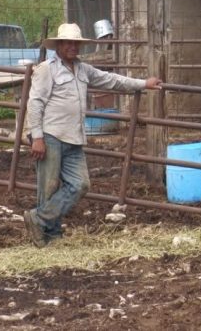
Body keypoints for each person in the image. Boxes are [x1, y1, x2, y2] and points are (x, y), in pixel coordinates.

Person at [23, 23, 162, 247]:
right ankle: (50, 235)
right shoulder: (47, 69)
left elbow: (112, 80)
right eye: (68, 43)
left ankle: (38, 219)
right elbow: (35, 103)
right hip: (51, 135)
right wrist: (36, 136)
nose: (73, 47)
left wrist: (143, 84)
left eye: (76, 43)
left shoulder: (83, 69)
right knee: (48, 187)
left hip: (75, 137)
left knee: (80, 184)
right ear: (58, 45)